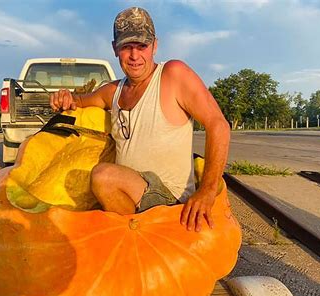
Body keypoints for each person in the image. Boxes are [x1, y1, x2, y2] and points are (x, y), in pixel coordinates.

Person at [50, 7, 230, 232]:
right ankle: (134, 241)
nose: (135, 56)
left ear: (155, 46)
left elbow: (218, 124)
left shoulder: (173, 75)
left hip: (169, 200)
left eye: (142, 46)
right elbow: (79, 101)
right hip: (131, 196)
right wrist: (65, 97)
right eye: (126, 47)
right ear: (115, 49)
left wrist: (207, 191)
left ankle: (145, 239)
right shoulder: (113, 90)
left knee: (103, 176)